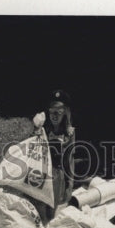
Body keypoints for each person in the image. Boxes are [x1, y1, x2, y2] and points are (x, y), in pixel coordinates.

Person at [33, 89, 76, 221]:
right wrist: (36, 130)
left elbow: (69, 159)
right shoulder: (43, 128)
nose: (54, 116)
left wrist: (70, 184)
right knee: (38, 210)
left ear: (66, 112)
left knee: (52, 212)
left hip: (58, 178)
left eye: (58, 112)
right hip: (41, 174)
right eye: (51, 112)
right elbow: (32, 149)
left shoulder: (69, 133)